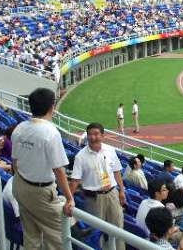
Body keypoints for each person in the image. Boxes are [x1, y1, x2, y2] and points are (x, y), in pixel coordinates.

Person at [12, 87, 74, 250]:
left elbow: (15, 162)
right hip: (40, 193)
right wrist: (69, 198)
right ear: (51, 107)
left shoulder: (19, 128)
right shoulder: (50, 132)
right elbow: (59, 170)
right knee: (58, 239)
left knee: (31, 237)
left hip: (20, 185)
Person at [69, 122, 126, 250]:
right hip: (94, 199)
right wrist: (69, 198)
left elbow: (117, 171)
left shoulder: (110, 150)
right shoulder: (80, 157)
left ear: (103, 135)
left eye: (96, 134)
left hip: (112, 194)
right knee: (96, 232)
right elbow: (75, 180)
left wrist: (122, 191)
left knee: (118, 228)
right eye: (89, 134)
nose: (92, 137)